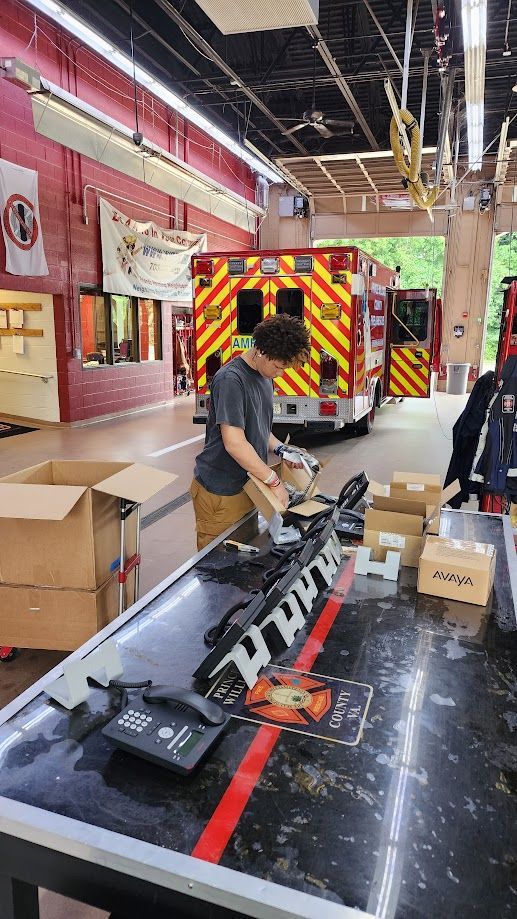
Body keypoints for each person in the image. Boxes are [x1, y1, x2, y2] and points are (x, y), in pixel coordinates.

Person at [190, 314, 311, 550]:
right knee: (219, 565)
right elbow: (234, 443)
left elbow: (259, 430)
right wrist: (274, 482)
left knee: (245, 557)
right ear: (262, 352)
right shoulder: (231, 380)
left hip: (249, 485)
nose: (280, 374)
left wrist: (283, 449)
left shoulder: (264, 377)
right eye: (279, 367)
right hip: (221, 490)